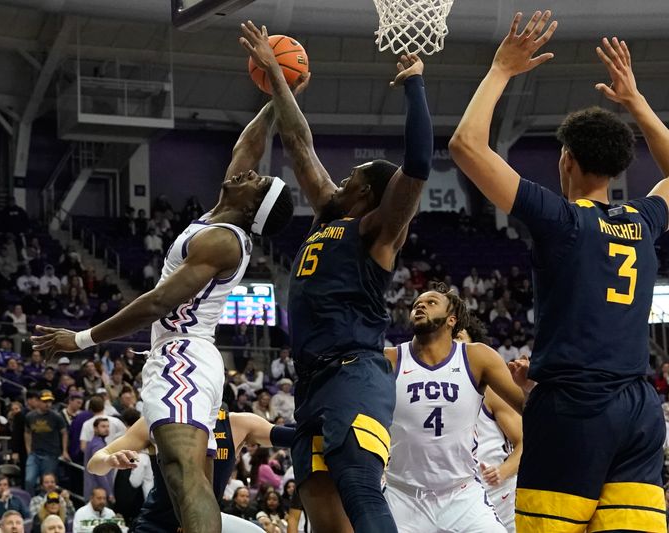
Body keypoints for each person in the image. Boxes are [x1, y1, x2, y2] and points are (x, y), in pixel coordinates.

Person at [32, 83, 297, 533]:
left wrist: (80, 340)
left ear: (253, 203)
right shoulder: (219, 216)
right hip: (187, 357)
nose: (247, 172)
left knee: (183, 473)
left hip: (183, 354)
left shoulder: (221, 241)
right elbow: (246, 146)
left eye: (255, 180)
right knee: (181, 476)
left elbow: (157, 302)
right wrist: (278, 95)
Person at [450, 11, 669, 532]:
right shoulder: (642, 220)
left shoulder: (563, 220)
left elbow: (465, 145)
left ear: (565, 160)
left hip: (572, 408)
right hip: (639, 410)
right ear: (617, 168)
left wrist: (501, 69)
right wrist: (636, 101)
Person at [240, 21, 432, 533]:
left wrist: (415, 83)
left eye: (352, 177)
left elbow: (416, 165)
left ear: (368, 193)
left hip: (356, 373)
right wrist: (282, 85)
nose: (340, 179)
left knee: (358, 484)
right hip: (313, 380)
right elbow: (299, 142)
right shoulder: (330, 216)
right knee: (322, 510)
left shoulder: (379, 232)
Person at [382, 284, 524, 532]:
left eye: (431, 302)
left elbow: (531, 409)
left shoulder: (477, 357)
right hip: (402, 495)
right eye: (417, 303)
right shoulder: (389, 359)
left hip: (461, 493)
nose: (420, 305)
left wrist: (530, 386)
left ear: (451, 320)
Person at [87, 408, 293, 533]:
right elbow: (94, 464)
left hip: (206, 519)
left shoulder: (239, 423)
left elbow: (295, 436)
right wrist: (109, 460)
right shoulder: (155, 420)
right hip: (161, 523)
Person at [456, 316, 522, 533]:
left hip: (498, 494)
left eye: (459, 338)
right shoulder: (428, 393)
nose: (453, 345)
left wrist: (502, 471)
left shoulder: (491, 391)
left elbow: (526, 441)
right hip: (456, 499)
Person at [24, 390, 70, 494]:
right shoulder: (30, 416)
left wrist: (64, 451)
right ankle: (30, 503)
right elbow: (27, 432)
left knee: (47, 482)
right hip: (35, 453)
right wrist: (28, 449)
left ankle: (46, 503)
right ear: (38, 401)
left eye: (50, 401)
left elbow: (64, 433)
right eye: (45, 401)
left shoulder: (56, 416)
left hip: (51, 454)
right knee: (29, 480)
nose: (48, 404)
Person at [83, 418, 113, 500]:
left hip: (95, 490)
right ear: (95, 429)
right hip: (98, 492)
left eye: (107, 426)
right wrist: (109, 492)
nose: (106, 429)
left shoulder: (93, 442)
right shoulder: (98, 445)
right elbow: (99, 472)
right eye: (103, 426)